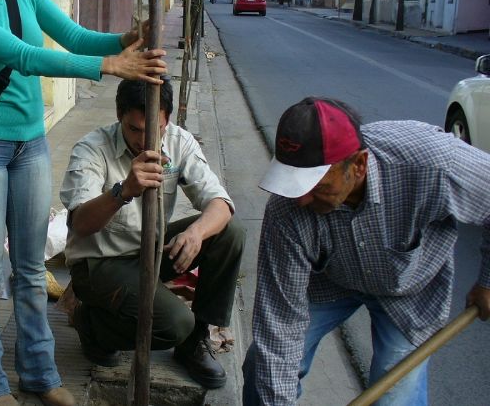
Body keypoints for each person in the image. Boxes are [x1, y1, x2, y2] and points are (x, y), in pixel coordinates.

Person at [0, 0, 167, 405]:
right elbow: (23, 57)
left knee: (30, 267)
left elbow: (75, 37)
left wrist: (124, 41)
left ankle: (40, 374)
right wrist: (108, 66)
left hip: (31, 145)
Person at [243, 97, 490, 405]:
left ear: (358, 165)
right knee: (261, 366)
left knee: (394, 396)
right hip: (332, 279)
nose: (301, 200)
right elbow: (279, 324)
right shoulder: (286, 210)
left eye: (314, 186)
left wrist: (487, 282)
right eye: (292, 184)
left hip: (409, 289)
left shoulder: (432, 162)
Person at [59, 79, 245, 389]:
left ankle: (194, 343)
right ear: (119, 115)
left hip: (152, 251)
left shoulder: (178, 141)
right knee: (175, 324)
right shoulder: (92, 149)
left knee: (229, 233)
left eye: (155, 129)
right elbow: (81, 224)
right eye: (134, 129)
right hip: (100, 263)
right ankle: (90, 323)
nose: (144, 140)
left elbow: (220, 204)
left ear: (167, 119)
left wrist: (196, 233)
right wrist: (123, 191)